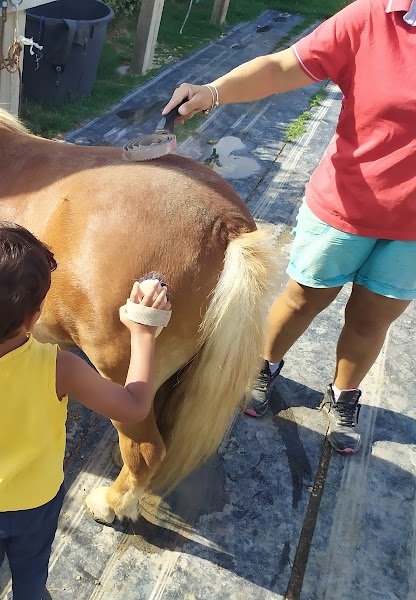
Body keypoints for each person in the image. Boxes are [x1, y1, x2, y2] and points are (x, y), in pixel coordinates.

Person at [162, 0, 415, 454]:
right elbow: (283, 66)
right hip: (346, 205)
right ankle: (262, 366)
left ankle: (343, 395)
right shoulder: (375, 16)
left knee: (371, 319)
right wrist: (213, 91)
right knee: (303, 297)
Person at [0, 218, 171, 600]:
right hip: (37, 501)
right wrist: (143, 333)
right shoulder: (58, 367)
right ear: (34, 317)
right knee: (31, 573)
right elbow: (134, 407)